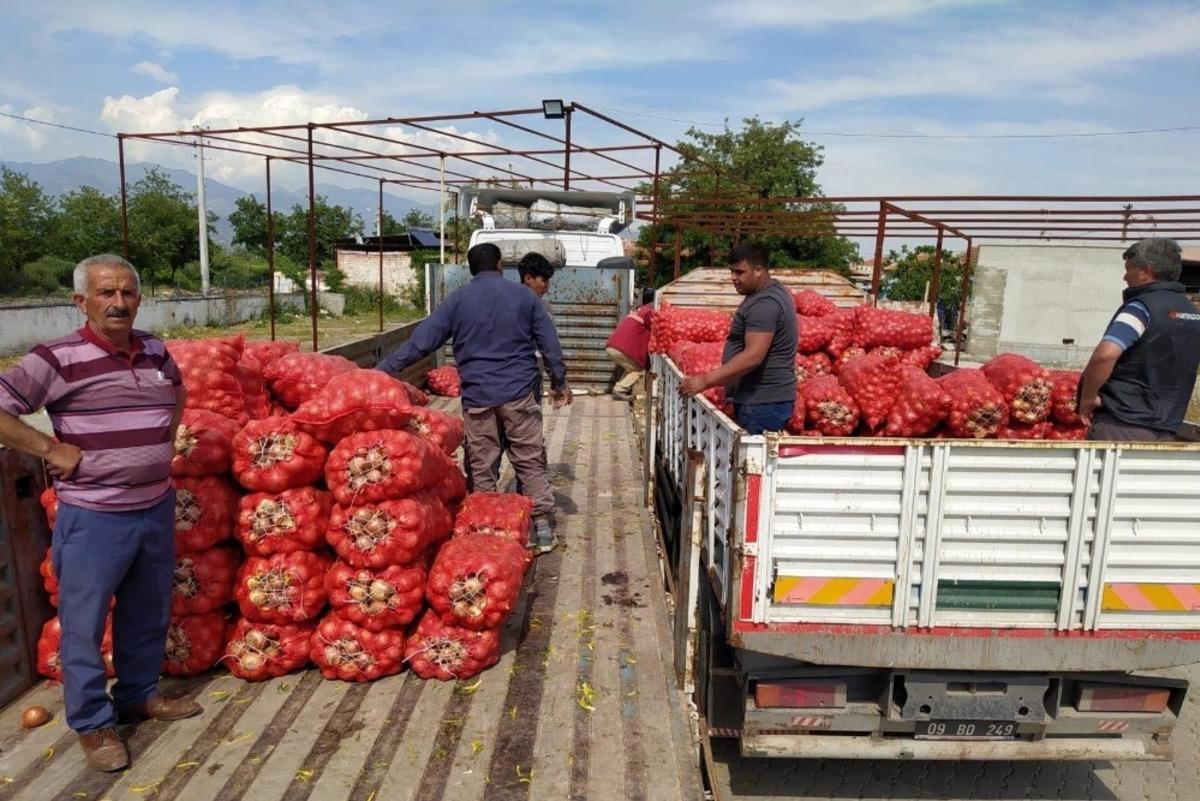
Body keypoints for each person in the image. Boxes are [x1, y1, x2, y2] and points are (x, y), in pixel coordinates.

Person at [0, 255, 201, 772]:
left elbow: (178, 395)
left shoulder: (155, 349)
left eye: (128, 293)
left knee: (147, 610)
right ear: (81, 301)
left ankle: (138, 695)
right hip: (94, 516)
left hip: (154, 506)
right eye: (106, 293)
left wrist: (161, 442)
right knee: (84, 625)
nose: (119, 303)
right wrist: (50, 451)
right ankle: (92, 724)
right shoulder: (57, 358)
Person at [376, 243, 571, 552]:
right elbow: (550, 346)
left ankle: (486, 531)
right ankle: (542, 529)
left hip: (478, 396)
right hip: (519, 393)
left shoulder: (457, 301)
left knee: (482, 465)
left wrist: (383, 371)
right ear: (499, 266)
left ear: (471, 269)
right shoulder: (525, 298)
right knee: (529, 460)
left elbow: (422, 342)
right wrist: (560, 382)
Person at [1078, 238, 1200, 441]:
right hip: (1167, 426)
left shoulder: (1142, 307)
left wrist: (1088, 398)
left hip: (1123, 423)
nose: (1125, 276)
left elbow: (1105, 355)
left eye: (1129, 269)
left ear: (1146, 271)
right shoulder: (1193, 313)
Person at [679, 242, 798, 434]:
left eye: (739, 272)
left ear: (758, 270)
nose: (733, 278)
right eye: (731, 272)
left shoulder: (764, 305)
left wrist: (705, 380)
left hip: (762, 403)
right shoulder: (769, 293)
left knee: (753, 460)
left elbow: (753, 356)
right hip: (763, 401)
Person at [605, 288, 655, 401]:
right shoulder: (649, 313)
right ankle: (619, 389)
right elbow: (656, 330)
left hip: (612, 346)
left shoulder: (639, 310)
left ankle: (620, 388)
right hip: (621, 349)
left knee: (630, 368)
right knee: (638, 370)